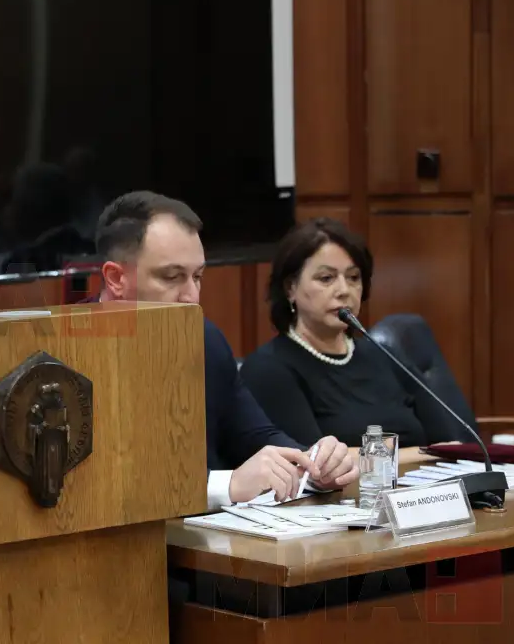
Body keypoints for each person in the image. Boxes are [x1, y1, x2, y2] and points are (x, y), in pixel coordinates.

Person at [91, 191, 358, 508]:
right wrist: (227, 486)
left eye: (197, 277)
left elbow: (255, 435)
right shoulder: (73, 351)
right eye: (172, 277)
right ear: (116, 278)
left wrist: (314, 465)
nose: (192, 296)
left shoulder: (205, 338)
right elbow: (104, 482)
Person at [239, 217, 471, 463]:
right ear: (290, 288)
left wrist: (373, 454)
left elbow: (449, 445)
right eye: (326, 278)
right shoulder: (268, 369)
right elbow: (313, 462)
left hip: (423, 486)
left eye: (353, 278)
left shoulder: (385, 355)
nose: (344, 291)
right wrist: (420, 453)